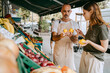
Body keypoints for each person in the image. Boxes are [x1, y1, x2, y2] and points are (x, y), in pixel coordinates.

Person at [77, 2, 109, 73]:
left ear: (91, 12)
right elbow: (89, 40)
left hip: (95, 59)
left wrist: (89, 42)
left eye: (84, 13)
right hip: (85, 55)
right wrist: (82, 35)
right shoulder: (91, 25)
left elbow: (104, 49)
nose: (83, 15)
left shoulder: (101, 27)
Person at [52, 4, 79, 70]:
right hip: (58, 51)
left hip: (69, 52)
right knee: (58, 70)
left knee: (68, 70)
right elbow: (53, 38)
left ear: (70, 12)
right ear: (61, 11)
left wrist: (71, 36)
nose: (66, 13)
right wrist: (60, 36)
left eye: (68, 11)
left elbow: (76, 41)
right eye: (64, 11)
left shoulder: (74, 24)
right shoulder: (56, 22)